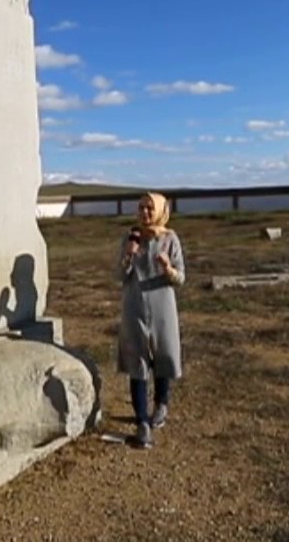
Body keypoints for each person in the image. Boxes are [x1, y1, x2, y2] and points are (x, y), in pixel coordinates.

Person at [116, 191, 186, 449]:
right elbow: (120, 275)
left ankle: (162, 404)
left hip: (162, 308)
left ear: (159, 210)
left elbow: (181, 278)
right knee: (138, 363)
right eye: (141, 208)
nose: (144, 213)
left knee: (163, 357)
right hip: (134, 307)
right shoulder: (130, 238)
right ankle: (142, 422)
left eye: (149, 208)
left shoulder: (170, 239)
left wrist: (168, 268)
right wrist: (128, 254)